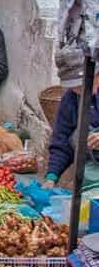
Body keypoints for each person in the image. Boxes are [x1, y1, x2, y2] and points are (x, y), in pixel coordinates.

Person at [44, 47, 99, 189]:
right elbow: (61, 141)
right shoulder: (71, 99)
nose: (77, 89)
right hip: (92, 169)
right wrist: (51, 176)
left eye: (80, 84)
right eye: (73, 86)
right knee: (76, 135)